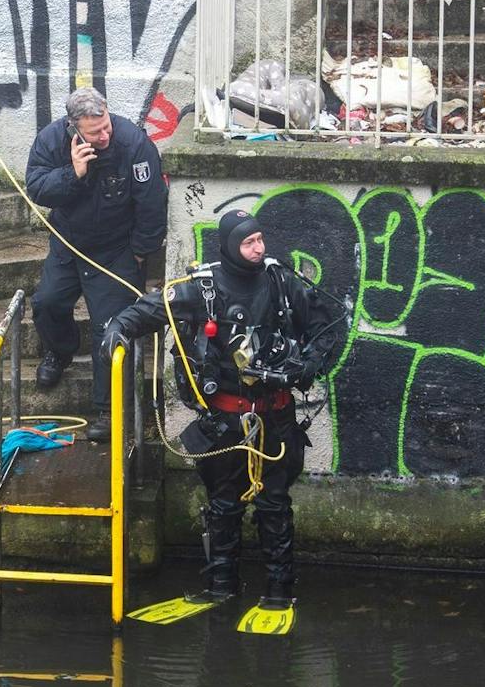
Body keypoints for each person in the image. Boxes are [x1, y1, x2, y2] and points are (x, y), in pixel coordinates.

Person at [102, 209, 345, 633]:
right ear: (231, 245)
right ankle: (219, 586)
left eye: (260, 240)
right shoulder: (203, 288)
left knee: (274, 502)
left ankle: (277, 591)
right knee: (222, 504)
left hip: (275, 416)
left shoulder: (281, 282)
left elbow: (328, 326)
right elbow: (151, 309)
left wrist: (306, 366)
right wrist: (118, 328)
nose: (259, 248)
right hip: (225, 420)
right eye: (249, 242)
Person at [25, 88, 166, 441]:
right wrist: (73, 172)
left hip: (116, 247)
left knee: (110, 326)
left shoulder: (134, 144)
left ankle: (107, 406)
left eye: (105, 127)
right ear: (74, 129)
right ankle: (59, 351)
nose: (104, 136)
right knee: (47, 302)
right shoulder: (51, 141)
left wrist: (141, 252)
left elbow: (151, 204)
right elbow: (37, 189)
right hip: (69, 242)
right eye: (94, 132)